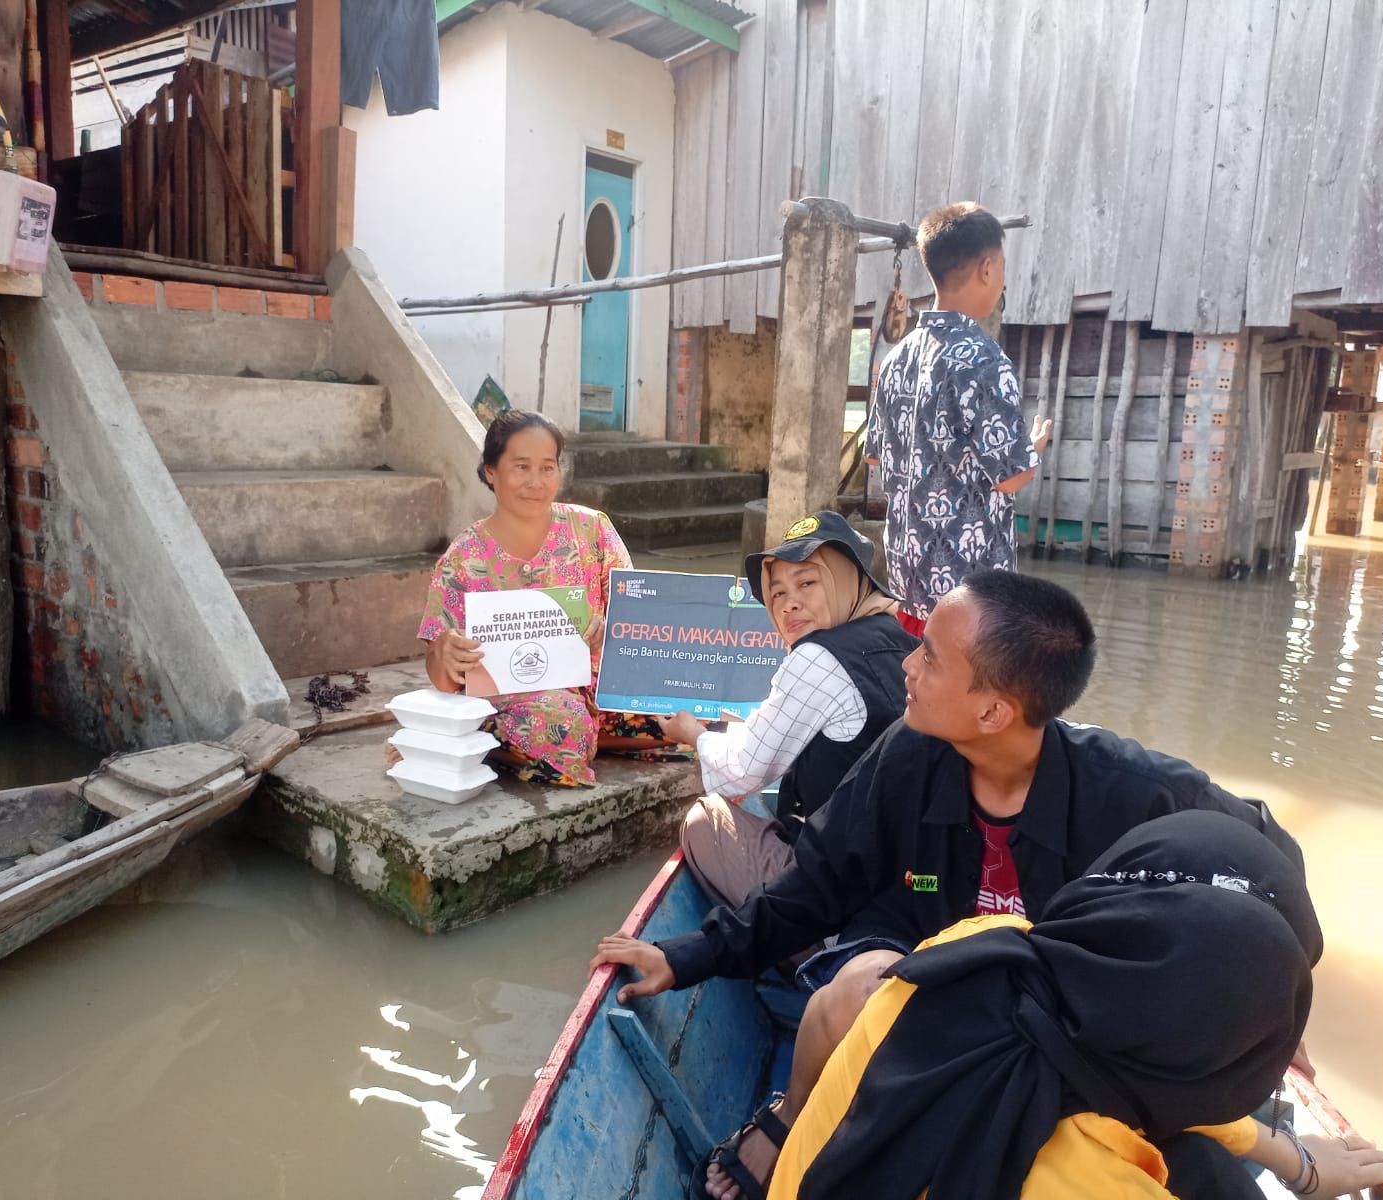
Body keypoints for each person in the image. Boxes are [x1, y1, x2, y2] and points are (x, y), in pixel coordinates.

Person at [590, 570, 1309, 1197]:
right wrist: (688, 956)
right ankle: (793, 1113)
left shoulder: (1134, 789)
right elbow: (814, 886)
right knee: (861, 986)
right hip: (916, 954)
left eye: (929, 658)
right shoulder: (908, 754)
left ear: (993, 710)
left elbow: (1266, 867)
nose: (907, 665)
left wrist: (1281, 1005)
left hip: (1054, 1001)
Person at [770, 810, 1383, 1200]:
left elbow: (1137, 1067)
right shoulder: (1097, 1182)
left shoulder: (976, 949)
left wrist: (1291, 1159)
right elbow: (1174, 1087)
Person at [654, 511, 918, 907]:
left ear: (847, 580)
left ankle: (795, 941)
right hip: (903, 875)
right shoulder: (903, 641)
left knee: (706, 820)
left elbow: (741, 775)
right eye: (777, 593)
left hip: (847, 887)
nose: (789, 605)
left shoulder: (816, 657)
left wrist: (694, 735)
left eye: (807, 583)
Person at [414, 410, 677, 787]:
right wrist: (444, 653)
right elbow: (443, 678)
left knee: (693, 710)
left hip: (597, 690)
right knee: (559, 724)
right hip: (523, 702)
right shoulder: (463, 560)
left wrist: (613, 633)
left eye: (547, 468)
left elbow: (639, 620)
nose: (536, 482)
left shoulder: (592, 530)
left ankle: (582, 738)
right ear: (491, 470)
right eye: (521, 467)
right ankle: (533, 740)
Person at [864, 202, 1052, 636]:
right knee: (966, 697)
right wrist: (1035, 446)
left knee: (917, 686)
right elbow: (1011, 477)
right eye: (1002, 267)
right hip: (971, 598)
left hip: (907, 582)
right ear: (987, 268)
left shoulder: (898, 358)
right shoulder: (984, 361)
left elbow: (875, 459)